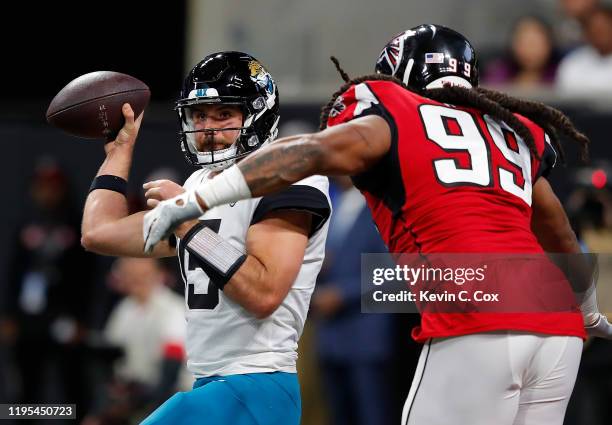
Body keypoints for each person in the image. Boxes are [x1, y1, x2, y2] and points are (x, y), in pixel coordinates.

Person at [143, 25, 612, 425]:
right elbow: (559, 234)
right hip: (558, 325)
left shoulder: (394, 108)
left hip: (479, 312)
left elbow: (307, 153)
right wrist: (588, 312)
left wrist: (197, 201)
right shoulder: (513, 127)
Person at [80, 51, 331, 425]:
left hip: (256, 384)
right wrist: (120, 152)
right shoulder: (198, 187)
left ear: (257, 115)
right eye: (199, 115)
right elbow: (98, 233)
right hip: (211, 384)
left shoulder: (286, 177)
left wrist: (183, 221)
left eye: (223, 114)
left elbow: (262, 293)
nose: (208, 128)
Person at [483, 15, 560, 87]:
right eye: (525, 43)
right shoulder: (498, 74)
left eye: (535, 43)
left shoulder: (561, 73)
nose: (530, 50)